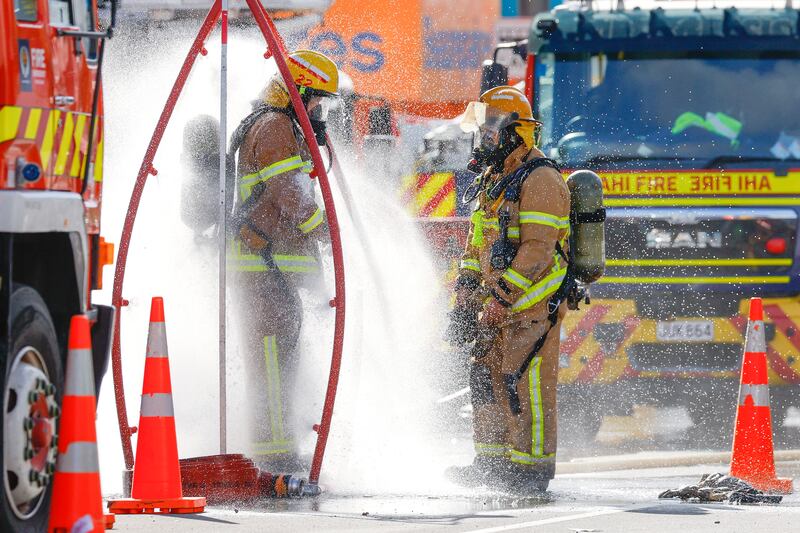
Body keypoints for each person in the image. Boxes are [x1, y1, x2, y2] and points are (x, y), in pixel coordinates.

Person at [446, 86, 571, 493]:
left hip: (532, 307)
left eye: (490, 132)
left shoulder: (542, 179)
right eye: (481, 132)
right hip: (495, 307)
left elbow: (537, 250)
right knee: (485, 378)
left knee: (525, 383)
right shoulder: (494, 181)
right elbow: (476, 243)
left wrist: (502, 298)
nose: (483, 140)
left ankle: (531, 470)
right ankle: (492, 463)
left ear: (516, 134)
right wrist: (466, 292)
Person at [227, 50, 338, 472]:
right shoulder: (275, 127)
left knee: (280, 361)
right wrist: (326, 231)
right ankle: (274, 456)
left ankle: (277, 448)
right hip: (264, 267)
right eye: (316, 103)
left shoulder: (277, 124)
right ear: (299, 93)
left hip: (272, 268)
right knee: (272, 361)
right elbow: (293, 196)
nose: (319, 113)